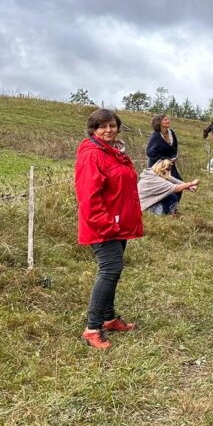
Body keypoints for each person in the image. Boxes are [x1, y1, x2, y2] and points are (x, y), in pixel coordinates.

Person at [74, 108, 143, 350]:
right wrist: (107, 224)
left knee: (114, 269)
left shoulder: (114, 152)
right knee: (110, 268)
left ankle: (109, 318)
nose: (108, 130)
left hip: (117, 223)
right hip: (102, 225)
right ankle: (93, 328)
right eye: (102, 126)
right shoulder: (93, 155)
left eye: (112, 125)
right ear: (93, 129)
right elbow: (88, 196)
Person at [146, 114, 182, 214]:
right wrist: (163, 160)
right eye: (165, 120)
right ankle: (161, 209)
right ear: (159, 122)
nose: (168, 121)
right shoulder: (155, 136)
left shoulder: (171, 133)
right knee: (161, 187)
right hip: (157, 166)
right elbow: (149, 152)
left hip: (170, 164)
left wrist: (174, 157)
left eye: (168, 119)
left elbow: (174, 148)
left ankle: (173, 209)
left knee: (178, 183)